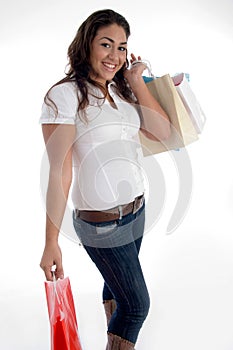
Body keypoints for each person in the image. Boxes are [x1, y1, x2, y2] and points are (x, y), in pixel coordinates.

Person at [39, 9, 170, 349]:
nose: (115, 56)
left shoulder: (122, 91)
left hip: (137, 211)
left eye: (122, 48)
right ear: (87, 45)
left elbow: (163, 133)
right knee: (137, 305)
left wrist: (137, 81)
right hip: (102, 224)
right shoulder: (64, 96)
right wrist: (51, 241)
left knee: (116, 289)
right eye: (106, 45)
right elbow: (59, 171)